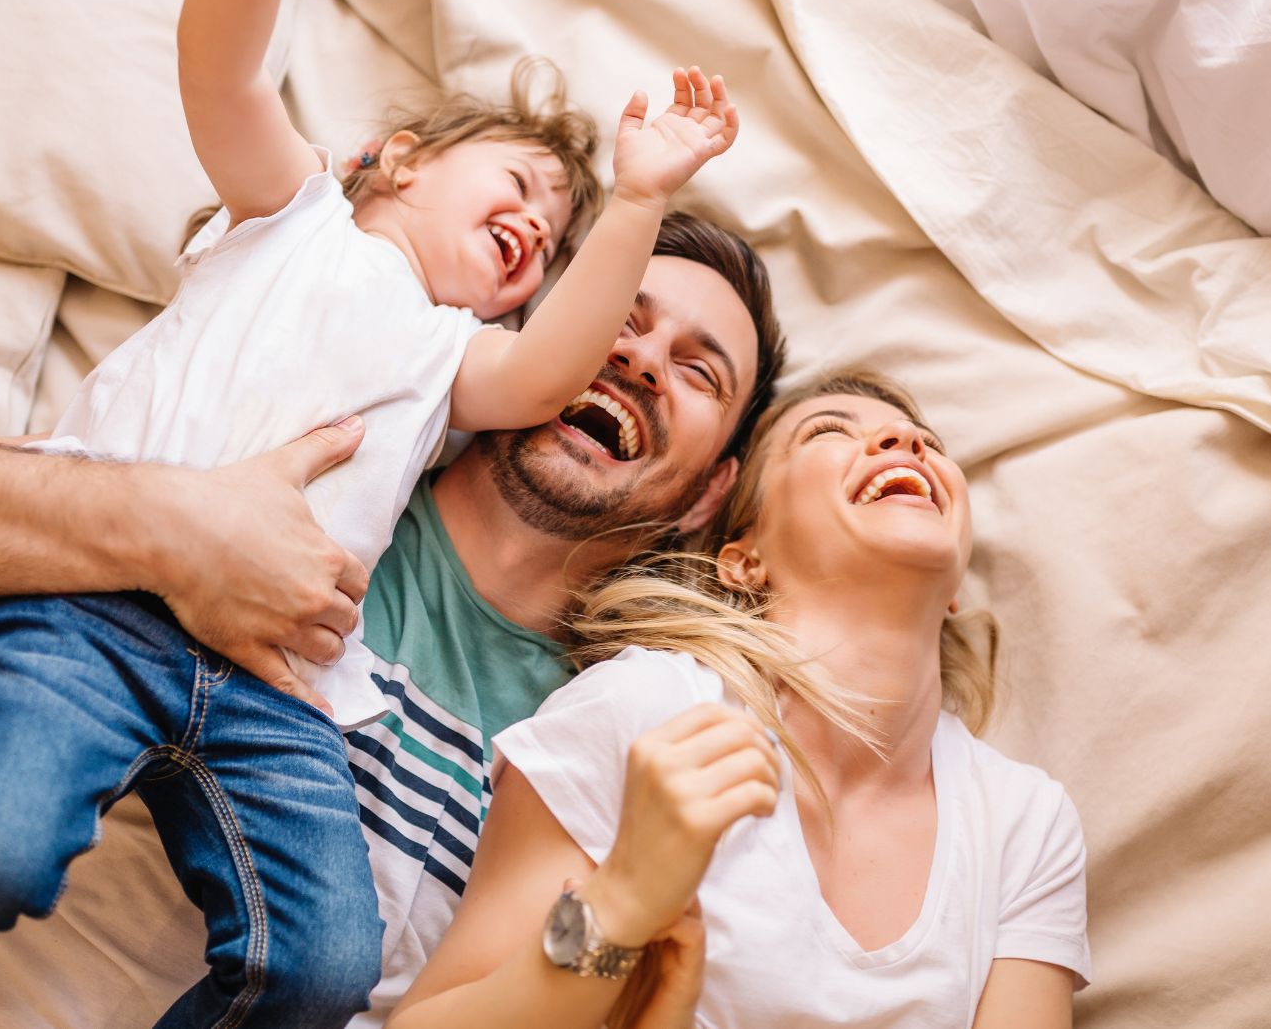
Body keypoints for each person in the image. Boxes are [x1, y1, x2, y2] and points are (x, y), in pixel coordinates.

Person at [0, 0, 741, 1022]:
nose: (533, 222)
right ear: (397, 159)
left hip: (275, 687)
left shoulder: (453, 364)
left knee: (321, 968)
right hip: (93, 611)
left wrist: (636, 201)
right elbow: (218, 65)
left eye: (550, 236)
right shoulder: (295, 218)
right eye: (518, 183)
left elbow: (555, 362)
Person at [0, 211, 783, 1029]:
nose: (640, 359)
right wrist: (166, 525)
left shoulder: (617, 738)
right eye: (615, 319)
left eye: (699, 372)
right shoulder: (286, 452)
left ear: (712, 491)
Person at [388, 370, 1091, 1029]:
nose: (905, 442)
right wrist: (620, 904)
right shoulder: (646, 711)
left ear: (955, 588)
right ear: (743, 556)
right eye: (828, 432)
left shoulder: (1025, 828)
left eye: (927, 444)